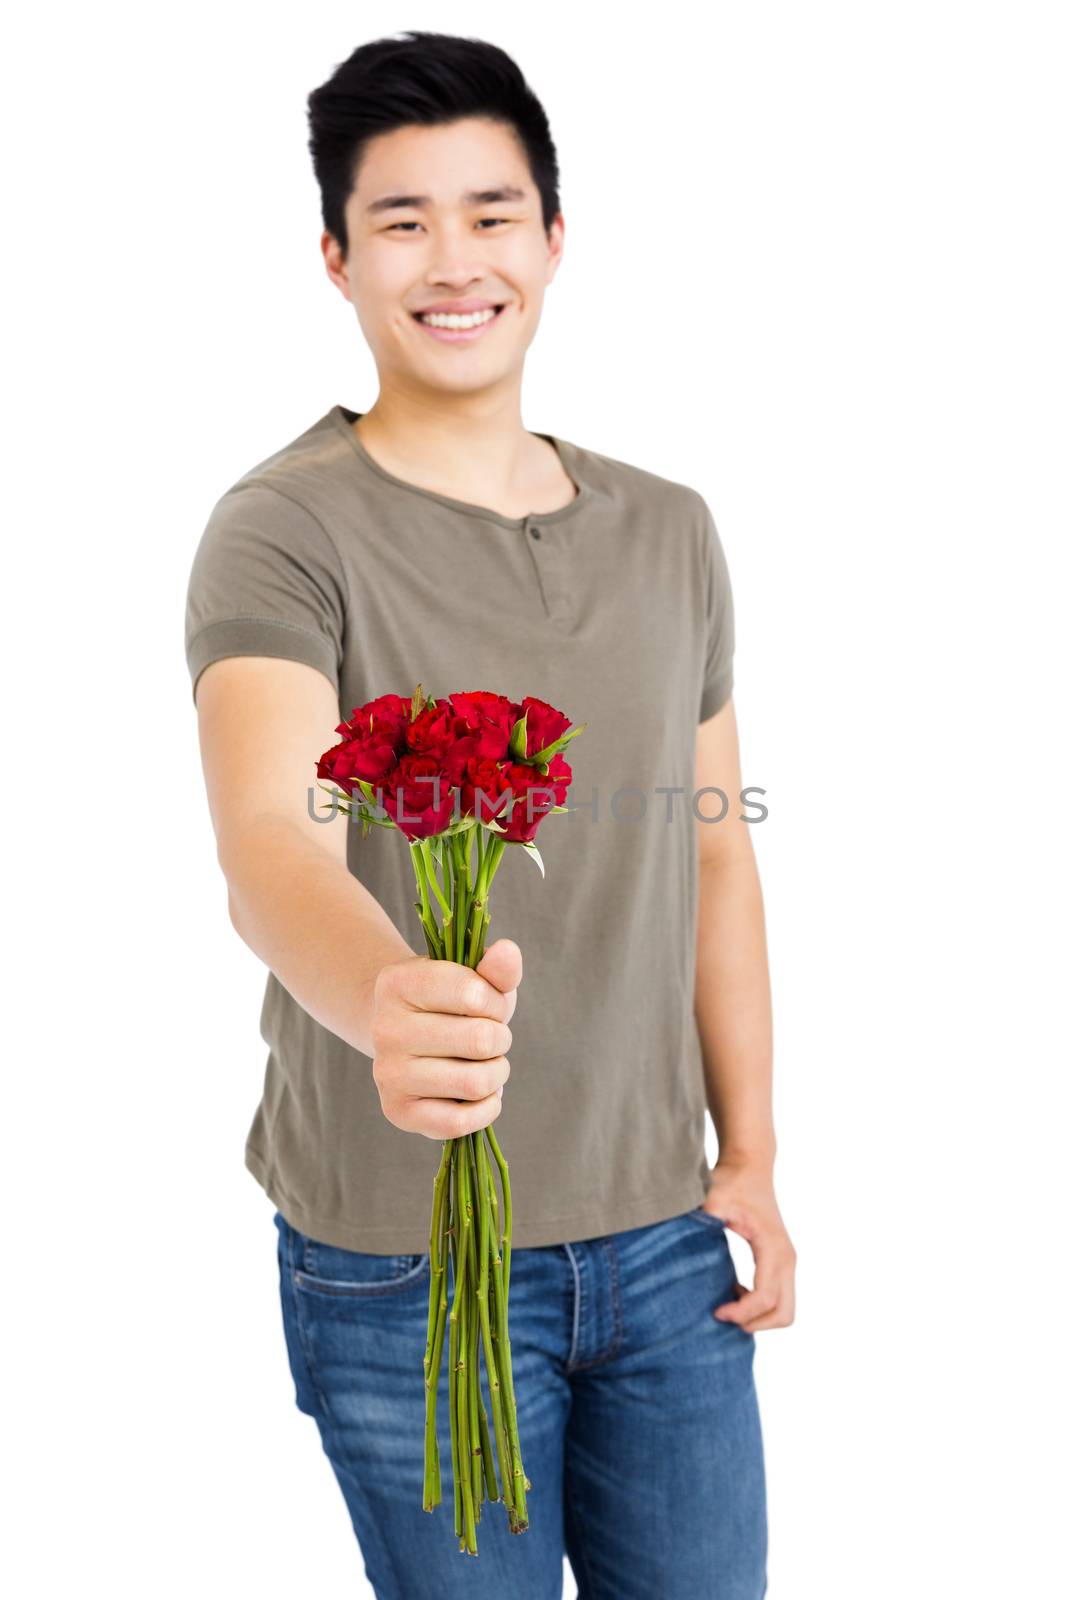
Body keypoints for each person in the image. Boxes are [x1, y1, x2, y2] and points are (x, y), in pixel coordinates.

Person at [184, 28, 794, 1599]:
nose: (453, 262)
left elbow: (714, 845)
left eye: (491, 212)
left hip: (666, 1243)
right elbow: (269, 842)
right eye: (401, 221)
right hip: (404, 1258)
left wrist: (755, 1154)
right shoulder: (283, 528)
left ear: (554, 239)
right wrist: (386, 998)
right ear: (336, 259)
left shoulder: (672, 530)